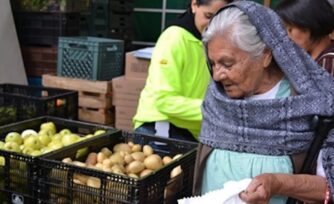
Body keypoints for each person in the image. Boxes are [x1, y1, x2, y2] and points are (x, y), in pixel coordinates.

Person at [192, 1, 334, 203]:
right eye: (212, 63)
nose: (216, 76)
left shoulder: (312, 104)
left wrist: (277, 183)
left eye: (227, 63)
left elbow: (328, 186)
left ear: (265, 55)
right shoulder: (216, 100)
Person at [133, 0, 233, 142]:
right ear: (194, 5)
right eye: (208, 16)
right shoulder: (174, 38)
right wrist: (216, 109)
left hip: (190, 131)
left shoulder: (210, 42)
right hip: (160, 128)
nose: (213, 25)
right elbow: (163, 100)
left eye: (220, 19)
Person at [276, 0, 334, 75]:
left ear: (308, 26)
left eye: (290, 29)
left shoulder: (328, 63)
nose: (286, 36)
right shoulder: (307, 59)